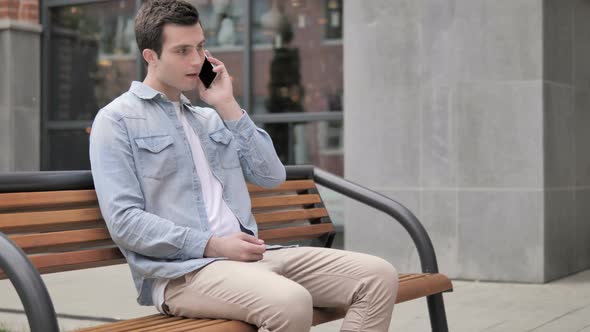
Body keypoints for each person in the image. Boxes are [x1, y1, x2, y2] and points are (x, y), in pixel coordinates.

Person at [89, 1, 398, 331]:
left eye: (200, 47)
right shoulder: (117, 120)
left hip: (254, 258)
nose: (196, 60)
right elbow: (125, 222)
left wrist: (227, 104)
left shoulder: (209, 117)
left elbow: (271, 175)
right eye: (182, 51)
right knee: (291, 302)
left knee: (378, 276)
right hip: (185, 273)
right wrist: (213, 245)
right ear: (150, 56)